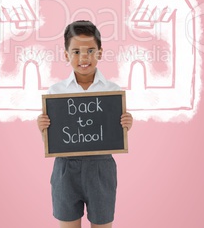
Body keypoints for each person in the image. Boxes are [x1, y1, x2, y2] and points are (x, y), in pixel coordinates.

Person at [37, 20, 133, 228]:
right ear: (66, 55)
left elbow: (115, 131)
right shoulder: (55, 93)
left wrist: (126, 123)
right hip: (65, 169)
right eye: (76, 51)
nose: (84, 58)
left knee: (102, 223)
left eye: (90, 50)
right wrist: (43, 127)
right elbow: (52, 139)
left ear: (99, 52)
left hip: (101, 168)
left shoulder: (112, 91)